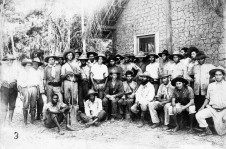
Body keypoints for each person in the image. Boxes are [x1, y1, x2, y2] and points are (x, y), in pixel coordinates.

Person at [196, 67, 226, 136]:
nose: (218, 76)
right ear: (214, 76)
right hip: (213, 109)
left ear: (223, 75)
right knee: (199, 115)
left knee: (220, 133)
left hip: (224, 110)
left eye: (220, 74)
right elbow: (207, 98)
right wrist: (202, 107)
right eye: (216, 75)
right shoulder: (211, 85)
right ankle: (207, 130)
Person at [17, 58, 41, 125]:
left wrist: (38, 92)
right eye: (27, 65)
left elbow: (37, 83)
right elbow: (19, 83)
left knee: (33, 105)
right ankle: (25, 121)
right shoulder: (21, 72)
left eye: (30, 65)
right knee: (25, 105)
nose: (29, 66)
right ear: (24, 65)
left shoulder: (33, 72)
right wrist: (20, 93)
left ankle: (32, 120)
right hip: (25, 89)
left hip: (33, 88)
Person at [0, 54, 18, 125]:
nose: (10, 61)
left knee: (12, 105)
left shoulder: (15, 68)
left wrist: (14, 81)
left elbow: (18, 77)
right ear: (5, 60)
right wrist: (3, 81)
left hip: (13, 88)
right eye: (8, 60)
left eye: (11, 60)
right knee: (4, 104)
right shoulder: (2, 68)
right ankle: (3, 121)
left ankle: (10, 121)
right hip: (4, 88)